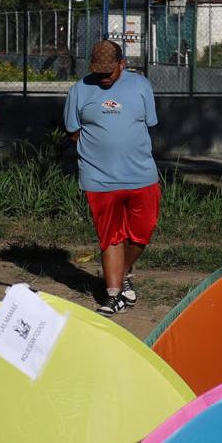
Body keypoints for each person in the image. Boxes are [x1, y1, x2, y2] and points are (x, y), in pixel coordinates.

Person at [65, 39, 159, 316]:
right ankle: (114, 294)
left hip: (141, 175)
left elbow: (148, 123)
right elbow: (73, 131)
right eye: (99, 72)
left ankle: (123, 271)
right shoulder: (79, 90)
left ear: (122, 64)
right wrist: (97, 154)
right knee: (111, 237)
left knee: (142, 233)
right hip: (98, 179)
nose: (104, 78)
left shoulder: (141, 86)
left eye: (110, 72)